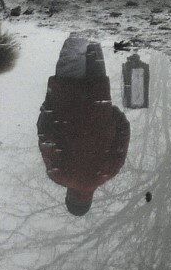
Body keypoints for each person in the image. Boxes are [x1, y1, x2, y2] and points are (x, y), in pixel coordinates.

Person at [36, 34, 130, 216]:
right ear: (69, 197)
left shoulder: (108, 171)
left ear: (89, 199)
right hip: (66, 93)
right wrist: (47, 108)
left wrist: (107, 112)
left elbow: (124, 131)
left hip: (98, 92)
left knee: (93, 37)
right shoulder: (59, 175)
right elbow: (46, 136)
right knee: (77, 38)